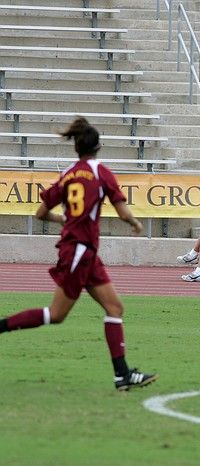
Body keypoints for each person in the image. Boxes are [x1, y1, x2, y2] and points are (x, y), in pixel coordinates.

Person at [0, 117, 159, 389]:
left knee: (114, 307)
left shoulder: (68, 173)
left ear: (77, 148)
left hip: (83, 251)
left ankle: (122, 375)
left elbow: (40, 213)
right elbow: (122, 211)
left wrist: (62, 219)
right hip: (78, 250)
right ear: (98, 148)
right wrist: (134, 222)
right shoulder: (100, 172)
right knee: (56, 314)